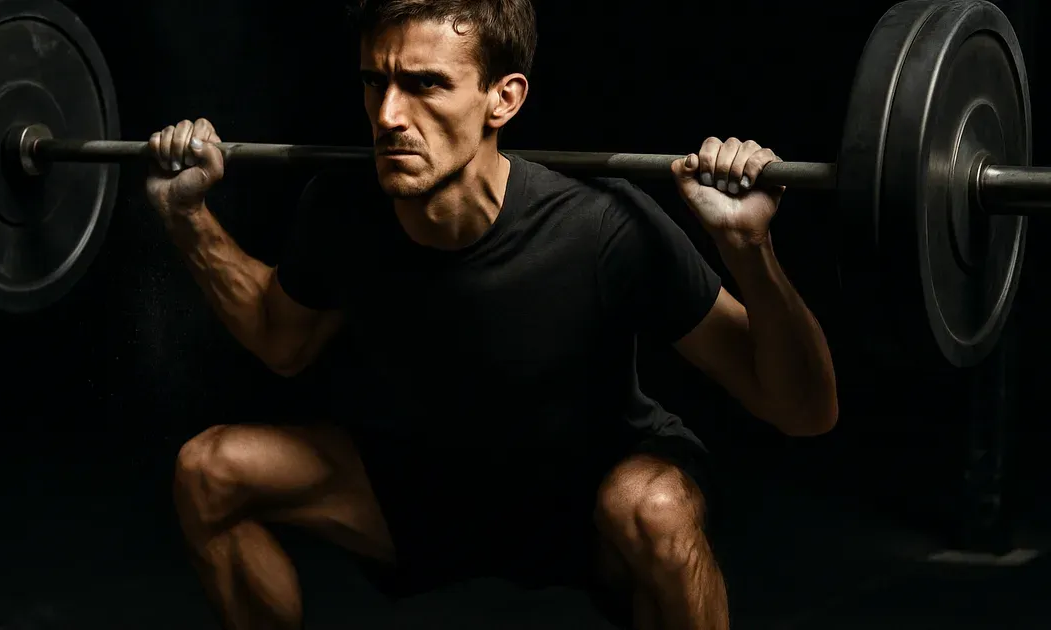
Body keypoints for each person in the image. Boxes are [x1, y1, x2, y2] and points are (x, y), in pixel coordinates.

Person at [150, 1, 837, 629]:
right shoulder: (341, 211)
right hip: (425, 490)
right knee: (210, 472)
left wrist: (749, 248)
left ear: (502, 99)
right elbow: (282, 342)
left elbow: (803, 410)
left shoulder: (603, 227)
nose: (388, 114)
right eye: (373, 82)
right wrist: (187, 219)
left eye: (426, 84)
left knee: (654, 509)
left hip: (584, 496)